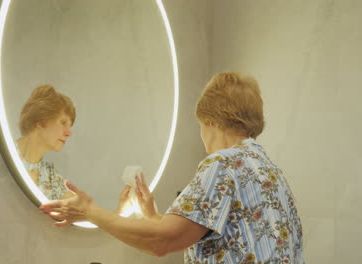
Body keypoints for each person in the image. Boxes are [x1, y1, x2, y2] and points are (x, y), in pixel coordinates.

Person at [40, 73, 305, 264]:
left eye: (200, 125)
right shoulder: (267, 168)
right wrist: (154, 218)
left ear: (210, 122)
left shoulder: (222, 164)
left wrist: (90, 211)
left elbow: (161, 243)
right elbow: (206, 235)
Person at [16, 84, 76, 200]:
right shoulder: (1, 156)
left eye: (70, 126)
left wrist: (120, 210)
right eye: (63, 123)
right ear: (41, 121)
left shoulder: (50, 176)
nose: (69, 133)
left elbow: (85, 213)